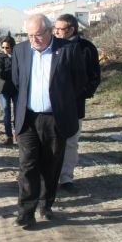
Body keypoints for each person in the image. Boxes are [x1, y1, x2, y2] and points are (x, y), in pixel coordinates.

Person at [11, 14, 87, 227]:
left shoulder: (68, 49)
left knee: (51, 164)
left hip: (56, 118)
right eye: (29, 35)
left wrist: (63, 100)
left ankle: (46, 204)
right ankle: (26, 212)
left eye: (38, 35)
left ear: (50, 31)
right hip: (28, 117)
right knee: (27, 166)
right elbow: (18, 81)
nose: (33, 39)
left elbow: (80, 81)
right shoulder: (21, 50)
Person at [53, 13, 101, 191]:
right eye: (54, 29)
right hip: (52, 105)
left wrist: (81, 94)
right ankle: (51, 175)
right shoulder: (51, 45)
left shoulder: (87, 48)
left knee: (71, 141)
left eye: (60, 29)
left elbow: (94, 76)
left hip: (75, 105)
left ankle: (66, 177)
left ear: (71, 29)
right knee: (53, 141)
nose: (56, 32)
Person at [0, 36, 18, 146]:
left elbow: (23, 71)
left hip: (16, 89)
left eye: (7, 47)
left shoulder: (18, 57)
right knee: (6, 113)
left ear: (12, 47)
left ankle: (17, 134)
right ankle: (9, 136)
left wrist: (11, 73)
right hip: (3, 90)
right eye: (3, 47)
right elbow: (0, 74)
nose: (5, 49)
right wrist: (14, 73)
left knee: (18, 113)